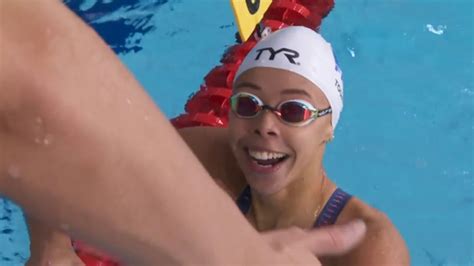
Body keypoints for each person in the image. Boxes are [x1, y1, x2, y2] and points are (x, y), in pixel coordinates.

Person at [0, 1, 367, 265]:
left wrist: (54, 251)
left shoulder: (368, 239)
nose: (267, 125)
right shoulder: (209, 154)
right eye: (250, 105)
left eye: (293, 111)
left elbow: (32, 75)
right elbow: (34, 75)